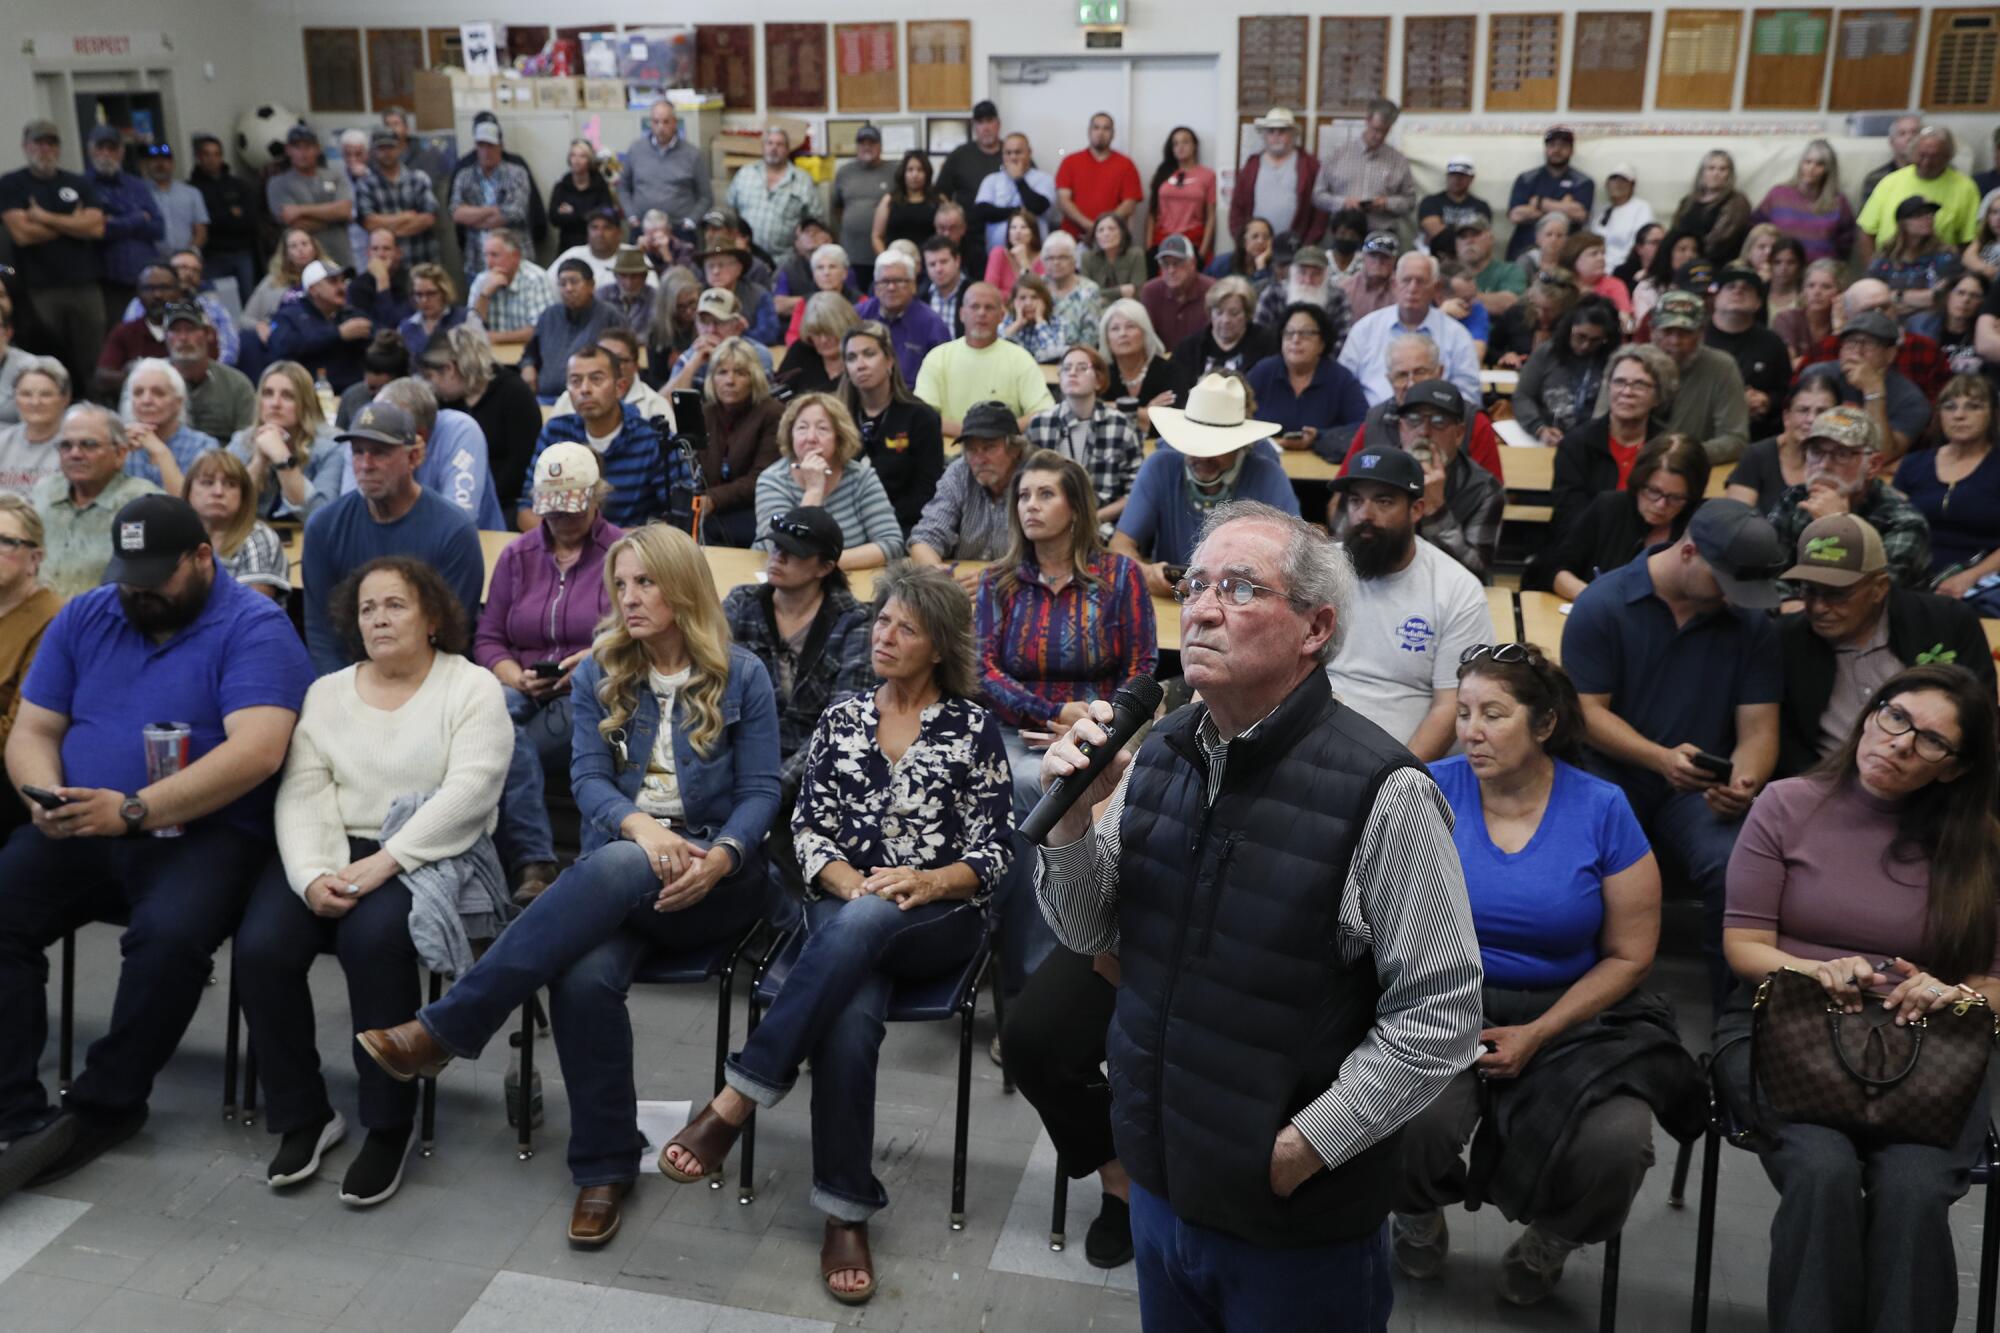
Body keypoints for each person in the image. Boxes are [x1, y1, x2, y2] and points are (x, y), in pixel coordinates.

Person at [1035, 495, 1482, 1329]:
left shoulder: (1383, 792)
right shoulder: (1163, 751)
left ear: (1314, 628)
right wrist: (1069, 818)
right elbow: (1089, 930)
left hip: (1293, 1224)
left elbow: (1442, 1013)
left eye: (1239, 587)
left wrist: (1303, 1146)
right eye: (1196, 582)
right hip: (1163, 1184)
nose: (1201, 605)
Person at [357, 523, 779, 1247]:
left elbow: (762, 790)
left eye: (646, 582)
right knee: (582, 977)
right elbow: (586, 779)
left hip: (717, 881)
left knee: (612, 865)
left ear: (682, 586)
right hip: (623, 872)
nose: (629, 597)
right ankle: (602, 1170)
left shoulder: (742, 674)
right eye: (621, 585)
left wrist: (721, 855)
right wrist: (643, 828)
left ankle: (450, 1026)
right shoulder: (602, 671)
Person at [635, 559, 1007, 1304]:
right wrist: (851, 882)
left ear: (938, 646)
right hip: (845, 906)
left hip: (940, 915)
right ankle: (844, 1209)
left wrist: (928, 881)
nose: (886, 636)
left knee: (863, 929)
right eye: (882, 622)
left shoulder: (974, 727)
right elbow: (805, 830)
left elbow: (995, 850)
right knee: (850, 1012)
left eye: (906, 627)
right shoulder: (844, 718)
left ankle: (737, 1097)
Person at [0, 491, 310, 1199]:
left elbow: (258, 751)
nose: (137, 591)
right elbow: (34, 730)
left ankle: (106, 1104)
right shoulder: (89, 612)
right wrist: (42, 796)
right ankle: (14, 1106)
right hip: (83, 820)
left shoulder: (254, 625)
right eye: (128, 576)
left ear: (203, 557)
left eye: (154, 576)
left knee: (169, 939)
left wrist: (134, 809)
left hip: (203, 832)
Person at [1393, 642, 1692, 1305]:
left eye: (1493, 713)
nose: (1470, 729)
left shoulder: (1602, 807)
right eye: (1464, 710)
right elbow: (1380, 915)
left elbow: (1631, 953)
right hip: (1440, 995)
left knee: (1616, 1145)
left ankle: (1553, 1236)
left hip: (1572, 1007)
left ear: (1545, 722)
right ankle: (1413, 1210)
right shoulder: (1428, 789)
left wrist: (1541, 1030)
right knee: (1399, 1114)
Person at [1716, 664, 2000, 1333]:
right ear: (1871, 712)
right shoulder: (1787, 803)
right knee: (1821, 1170)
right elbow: (1745, 943)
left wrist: (1955, 990)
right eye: (1895, 716)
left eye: (1931, 740)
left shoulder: (1981, 846)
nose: (1900, 742)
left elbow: (1994, 983)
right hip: (1791, 1027)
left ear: (1955, 768)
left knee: (1914, 1189)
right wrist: (1812, 970)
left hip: (1925, 1053)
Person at [237, 554, 512, 1204]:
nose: (379, 618)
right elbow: (304, 791)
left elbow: (469, 794)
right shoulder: (327, 692)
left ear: (432, 616)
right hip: (327, 848)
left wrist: (385, 861)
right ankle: (304, 1113)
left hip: (423, 850)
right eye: (367, 607)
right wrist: (311, 876)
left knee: (373, 942)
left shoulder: (469, 688)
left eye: (395, 604)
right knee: (262, 946)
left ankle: (388, 1124)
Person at [1562, 498, 1785, 1004]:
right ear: (1689, 552)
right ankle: (1584, 1003)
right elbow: (1586, 713)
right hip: (1612, 773)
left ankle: (1735, 1016)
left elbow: (1759, 728)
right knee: (1586, 860)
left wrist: (1744, 781)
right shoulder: (1605, 603)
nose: (1733, 600)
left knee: (1738, 868)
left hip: (1702, 787)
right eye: (1725, 584)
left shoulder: (1750, 624)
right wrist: (1659, 758)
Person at [977, 448, 1155, 1005]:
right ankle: (1012, 977)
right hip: (1014, 729)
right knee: (1013, 784)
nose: (1030, 505)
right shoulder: (1000, 581)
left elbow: (1142, 670)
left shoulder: (1118, 575)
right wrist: (1050, 714)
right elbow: (983, 671)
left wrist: (1089, 720)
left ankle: (1036, 984)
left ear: (1076, 508)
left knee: (1046, 788)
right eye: (1024, 496)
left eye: (1045, 494)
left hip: (1097, 735)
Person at [477, 445, 622, 902]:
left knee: (498, 745)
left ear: (596, 497)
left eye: (571, 511)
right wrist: (513, 675)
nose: (560, 521)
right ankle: (534, 862)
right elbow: (488, 638)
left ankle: (530, 863)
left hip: (589, 687)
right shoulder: (517, 556)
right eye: (552, 512)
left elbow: (640, 632)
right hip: (522, 683)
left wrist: (595, 655)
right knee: (494, 717)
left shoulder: (623, 554)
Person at [1775, 512, 1994, 778]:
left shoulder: (1947, 621)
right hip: (1829, 790)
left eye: (1837, 594)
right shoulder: (1786, 641)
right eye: (1809, 590)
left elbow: (1981, 720)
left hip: (1937, 787)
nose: (1819, 607)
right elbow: (1786, 742)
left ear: (1879, 588)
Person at [1323, 441, 1495, 754]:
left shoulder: (1457, 589)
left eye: (1384, 501)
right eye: (1356, 501)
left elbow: (1451, 705)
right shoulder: (1320, 571)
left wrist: (1400, 779)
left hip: (1403, 760)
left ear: (1417, 510)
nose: (1365, 515)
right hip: (1313, 742)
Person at [300, 402, 483, 675]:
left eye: (379, 453)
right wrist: (343, 693)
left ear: (413, 458)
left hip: (430, 680)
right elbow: (321, 634)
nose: (365, 465)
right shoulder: (324, 527)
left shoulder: (454, 531)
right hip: (348, 679)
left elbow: (451, 633)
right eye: (358, 452)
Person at [723, 506, 873, 788]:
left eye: (794, 552)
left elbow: (843, 722)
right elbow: (705, 683)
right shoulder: (740, 603)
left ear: (825, 567)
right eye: (776, 546)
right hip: (737, 759)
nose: (778, 557)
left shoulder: (855, 623)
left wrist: (769, 790)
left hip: (818, 775)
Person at [1111, 373, 1300, 596]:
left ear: (1240, 445)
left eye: (1216, 446)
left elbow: (1295, 559)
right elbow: (1119, 545)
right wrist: (1144, 572)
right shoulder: (1159, 467)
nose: (1203, 456)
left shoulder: (1269, 476)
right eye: (1194, 443)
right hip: (1171, 601)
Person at [1333, 382, 1502, 581]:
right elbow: (1344, 551)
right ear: (1401, 427)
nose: (1424, 431)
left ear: (1459, 434)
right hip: (1374, 583)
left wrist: (1436, 511)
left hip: (1446, 594)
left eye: (1439, 421)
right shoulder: (1368, 473)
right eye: (1414, 419)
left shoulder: (1483, 488)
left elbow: (1477, 573)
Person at [1767, 405, 1930, 596]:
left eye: (1841, 454)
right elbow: (1763, 573)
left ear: (1873, 465)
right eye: (1816, 452)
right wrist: (1787, 604)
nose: (1824, 465)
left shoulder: (1904, 523)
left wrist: (1840, 526)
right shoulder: (1794, 498)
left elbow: (1872, 596)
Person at [521, 345, 685, 534]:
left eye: (596, 379)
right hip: (566, 546)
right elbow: (526, 507)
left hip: (634, 552)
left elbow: (678, 517)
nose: (584, 389)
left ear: (620, 387)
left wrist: (603, 542)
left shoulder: (653, 439)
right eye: (575, 381)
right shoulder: (555, 434)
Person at [1, 120, 107, 390]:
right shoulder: (12, 184)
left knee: (92, 357)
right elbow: (22, 235)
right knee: (49, 358)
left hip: (84, 285)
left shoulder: (77, 182)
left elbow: (96, 228)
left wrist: (43, 217)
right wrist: (73, 224)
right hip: (39, 288)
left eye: (51, 143)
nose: (45, 149)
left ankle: (92, 409)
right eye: (38, 143)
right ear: (26, 146)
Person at [1544, 434, 1709, 600]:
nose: (1660, 505)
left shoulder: (1700, 525)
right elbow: (1554, 568)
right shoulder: (1608, 507)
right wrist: (1593, 600)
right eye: (1653, 491)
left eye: (1675, 498)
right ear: (1638, 481)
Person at [754, 393, 905, 571]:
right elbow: (784, 551)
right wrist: (814, 490)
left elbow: (892, 543)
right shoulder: (772, 480)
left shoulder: (861, 477)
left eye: (822, 429)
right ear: (791, 435)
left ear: (839, 436)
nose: (811, 437)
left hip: (846, 582)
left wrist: (826, 566)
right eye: (802, 428)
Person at [1596, 291, 1750, 464]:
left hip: (1690, 472)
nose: (1675, 341)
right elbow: (1599, 425)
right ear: (1652, 330)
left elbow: (1735, 439)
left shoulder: (1722, 367)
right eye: (1667, 331)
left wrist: (1677, 456)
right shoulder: (1626, 364)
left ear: (1701, 334)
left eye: (1685, 333)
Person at [1334, 332, 1506, 481]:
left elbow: (1492, 500)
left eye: (1420, 372)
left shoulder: (1472, 422)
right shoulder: (1375, 421)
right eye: (1401, 375)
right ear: (1389, 380)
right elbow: (1340, 498)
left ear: (1439, 373)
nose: (1411, 384)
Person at [31, 405, 163, 597]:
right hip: (37, 616)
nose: (75, 453)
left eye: (89, 444)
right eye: (66, 445)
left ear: (120, 454)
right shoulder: (44, 491)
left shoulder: (143, 503)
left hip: (106, 619)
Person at [1895, 374, 2000, 593]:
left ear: (1993, 414)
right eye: (1949, 407)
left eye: (1974, 407)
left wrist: (1971, 577)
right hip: (1914, 572)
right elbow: (1894, 526)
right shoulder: (1913, 463)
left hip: (1983, 576)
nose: (1959, 415)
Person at [419, 327, 538, 515]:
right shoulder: (442, 403)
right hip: (452, 503)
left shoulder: (514, 393)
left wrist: (478, 500)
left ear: (449, 369)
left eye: (431, 377)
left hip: (503, 503)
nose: (431, 385)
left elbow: (520, 465)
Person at [1339, 251, 1482, 406]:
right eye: (1406, 280)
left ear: (1436, 287)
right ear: (1394, 284)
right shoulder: (1365, 329)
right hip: (1369, 423)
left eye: (1420, 281)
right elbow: (1342, 387)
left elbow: (1469, 396)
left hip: (1435, 423)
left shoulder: (1457, 335)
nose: (1413, 288)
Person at [908, 400, 1029, 580]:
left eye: (989, 448)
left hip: (1023, 589)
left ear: (1015, 449)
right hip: (963, 587)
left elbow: (1053, 555)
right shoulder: (959, 473)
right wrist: (936, 571)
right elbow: (924, 538)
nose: (980, 459)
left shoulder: (1035, 477)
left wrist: (997, 579)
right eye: (971, 450)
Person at [913, 283, 1054, 437]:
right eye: (974, 307)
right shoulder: (937, 357)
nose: (981, 313)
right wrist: (973, 435)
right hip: (947, 452)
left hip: (1004, 453)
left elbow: (1043, 411)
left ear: (1002, 316)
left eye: (989, 307)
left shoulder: (1020, 358)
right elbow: (923, 415)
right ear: (961, 314)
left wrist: (1001, 434)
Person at [1025, 345, 1145, 525]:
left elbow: (1135, 491)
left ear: (1099, 380)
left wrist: (1094, 520)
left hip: (1104, 525)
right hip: (1049, 523)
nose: (1072, 373)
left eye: (1082, 368)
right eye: (1066, 368)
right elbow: (1026, 484)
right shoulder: (1039, 424)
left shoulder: (1121, 426)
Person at [689, 337, 783, 548]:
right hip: (708, 509)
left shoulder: (772, 413)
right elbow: (694, 470)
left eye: (740, 373)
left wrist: (714, 499)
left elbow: (761, 478)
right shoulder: (705, 413)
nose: (729, 381)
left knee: (709, 531)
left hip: (753, 509)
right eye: (722, 372)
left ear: (754, 378)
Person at [1246, 301, 1369, 459]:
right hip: (1265, 461)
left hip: (1321, 472)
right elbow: (1236, 414)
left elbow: (1363, 426)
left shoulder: (1340, 378)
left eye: (1306, 333)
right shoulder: (1263, 372)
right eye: (1289, 333)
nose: (1296, 339)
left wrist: (1319, 436)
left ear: (1322, 343)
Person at [0, 495, 57, 832]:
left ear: (35, 558)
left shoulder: (51, 620)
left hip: (10, 774)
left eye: (6, 541)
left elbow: (18, 731)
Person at [225, 361, 342, 522]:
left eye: (288, 396)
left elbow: (323, 516)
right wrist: (259, 461)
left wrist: (281, 457)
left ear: (305, 403)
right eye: (267, 393)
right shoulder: (242, 440)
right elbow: (225, 508)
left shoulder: (332, 446)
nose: (275, 404)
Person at [1856, 126, 1982, 266]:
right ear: (1912, 153)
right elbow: (1867, 231)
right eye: (1922, 155)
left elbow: (1968, 240)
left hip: (1937, 267)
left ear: (1948, 157)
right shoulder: (1890, 182)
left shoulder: (1966, 188)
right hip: (1889, 263)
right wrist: (1872, 269)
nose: (1926, 162)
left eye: (1934, 157)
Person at [1726, 368, 1842, 515]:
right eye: (1803, 410)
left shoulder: (1846, 461)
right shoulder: (1756, 456)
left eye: (1821, 412)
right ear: (1787, 417)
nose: (1811, 419)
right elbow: (1733, 520)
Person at [183, 449, 288, 602]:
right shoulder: (174, 533)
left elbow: (251, 610)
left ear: (243, 496)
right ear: (188, 490)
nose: (218, 492)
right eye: (207, 482)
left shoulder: (258, 538)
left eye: (230, 484)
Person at [81, 125, 163, 320]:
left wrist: (117, 220)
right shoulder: (82, 185)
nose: (106, 154)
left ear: (121, 152)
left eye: (112, 148)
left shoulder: (137, 185)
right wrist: (137, 218)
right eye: (101, 148)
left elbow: (159, 228)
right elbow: (99, 229)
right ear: (91, 151)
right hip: (109, 280)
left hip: (145, 277)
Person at [1704, 266, 1792, 441]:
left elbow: (1787, 392)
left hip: (1755, 435)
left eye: (1747, 288)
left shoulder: (1772, 343)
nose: (1738, 290)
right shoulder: (1696, 337)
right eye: (1730, 286)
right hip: (1704, 430)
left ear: (1758, 303)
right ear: (1715, 298)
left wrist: (1766, 401)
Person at [519, 260, 626, 403]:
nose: (568, 288)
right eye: (562, 284)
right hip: (544, 397)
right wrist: (528, 365)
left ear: (591, 285)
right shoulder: (549, 315)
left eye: (574, 282)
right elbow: (531, 350)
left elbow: (622, 360)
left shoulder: (610, 316)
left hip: (589, 399)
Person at [1516, 301, 1618, 444]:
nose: (1585, 345)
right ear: (1569, 329)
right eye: (1580, 337)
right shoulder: (1547, 353)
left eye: (1595, 340)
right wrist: (1539, 428)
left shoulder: (1613, 362)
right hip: (1548, 434)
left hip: (1593, 440)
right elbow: (1523, 395)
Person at [1311, 99, 1417, 238]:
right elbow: (1317, 196)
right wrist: (1343, 203)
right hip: (1344, 233)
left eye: (1384, 131)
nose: (1379, 136)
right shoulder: (1337, 155)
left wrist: (1387, 203)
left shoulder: (1398, 161)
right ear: (1367, 120)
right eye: (1376, 129)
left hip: (1381, 233)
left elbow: (1410, 201)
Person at [267, 259, 372, 393]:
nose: (342, 287)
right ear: (313, 289)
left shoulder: (351, 314)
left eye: (343, 281)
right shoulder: (289, 316)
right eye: (333, 281)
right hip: (309, 394)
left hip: (353, 391)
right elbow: (281, 348)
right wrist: (338, 334)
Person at [94, 263, 193, 399]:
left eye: (164, 288)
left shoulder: (195, 331)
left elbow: (208, 371)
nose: (157, 295)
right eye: (149, 289)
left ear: (178, 292)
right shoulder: (125, 331)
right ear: (138, 294)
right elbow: (102, 376)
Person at [1168, 276, 1273, 402]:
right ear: (1210, 313)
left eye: (1234, 313)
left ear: (1247, 314)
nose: (1225, 320)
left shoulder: (1267, 344)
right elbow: (1176, 395)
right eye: (1219, 312)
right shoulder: (1188, 348)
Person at [1228, 107, 1322, 248]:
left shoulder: (1310, 165)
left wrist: (1308, 243)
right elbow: (1237, 207)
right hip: (1256, 246)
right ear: (1264, 136)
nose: (1276, 136)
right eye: (1271, 131)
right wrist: (1242, 241)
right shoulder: (1251, 165)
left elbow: (1320, 209)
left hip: (1295, 247)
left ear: (1293, 135)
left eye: (1282, 131)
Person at [448, 123, 531, 281]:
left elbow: (516, 212)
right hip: (476, 261)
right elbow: (456, 213)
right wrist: (492, 210)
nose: (486, 151)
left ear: (500, 146)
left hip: (514, 262)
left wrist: (472, 217)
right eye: (481, 145)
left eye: (491, 145)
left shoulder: (516, 173)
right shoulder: (464, 175)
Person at [853, 249, 949, 385]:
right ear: (875, 287)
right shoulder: (858, 316)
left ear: (913, 285)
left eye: (899, 281)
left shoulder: (932, 324)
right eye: (885, 281)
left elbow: (943, 376)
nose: (891, 287)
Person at [120, 358, 215, 495]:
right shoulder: (118, 444)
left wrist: (161, 453)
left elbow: (191, 508)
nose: (146, 400)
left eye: (158, 393)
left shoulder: (203, 446)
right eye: (138, 393)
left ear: (178, 402)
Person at [1750, 141, 1855, 265]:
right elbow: (1756, 230)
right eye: (1808, 162)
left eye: (1819, 164)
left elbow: (1846, 243)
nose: (1811, 168)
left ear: (1828, 170)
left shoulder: (1838, 202)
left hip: (1819, 273)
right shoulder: (1778, 195)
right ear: (1800, 164)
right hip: (1781, 271)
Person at [160, 304, 253, 443]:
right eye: (175, 330)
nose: (183, 338)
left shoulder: (236, 385)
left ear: (208, 334)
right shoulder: (148, 381)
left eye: (191, 330)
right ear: (166, 337)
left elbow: (248, 440)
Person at [267, 123, 354, 270]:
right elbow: (295, 223)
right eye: (297, 147)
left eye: (308, 147)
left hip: (340, 256)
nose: (303, 153)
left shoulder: (336, 176)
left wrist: (300, 210)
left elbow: (345, 210)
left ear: (318, 149)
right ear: (288, 150)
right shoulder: (278, 183)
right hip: (302, 263)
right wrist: (334, 219)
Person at [188, 133, 260, 304]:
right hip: (212, 255)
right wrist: (230, 214)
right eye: (207, 154)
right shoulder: (193, 189)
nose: (212, 159)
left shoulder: (239, 185)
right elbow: (204, 224)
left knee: (248, 300)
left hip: (241, 252)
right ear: (199, 157)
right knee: (215, 300)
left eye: (216, 154)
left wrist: (218, 218)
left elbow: (250, 220)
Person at [353, 126, 437, 271]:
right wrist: (405, 217)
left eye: (390, 147)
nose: (387, 153)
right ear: (373, 152)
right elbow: (369, 222)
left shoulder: (418, 178)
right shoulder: (365, 184)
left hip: (420, 259)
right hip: (385, 267)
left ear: (400, 149)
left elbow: (428, 218)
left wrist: (389, 232)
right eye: (381, 148)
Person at [727, 127, 817, 259]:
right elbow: (730, 210)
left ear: (787, 150)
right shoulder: (745, 174)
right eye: (769, 143)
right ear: (763, 147)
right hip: (747, 257)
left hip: (785, 259)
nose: (774, 148)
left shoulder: (802, 180)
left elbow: (814, 221)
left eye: (779, 144)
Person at [621, 99, 711, 228]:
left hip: (679, 228)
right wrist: (631, 216)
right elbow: (623, 187)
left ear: (675, 122)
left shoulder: (692, 154)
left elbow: (706, 196)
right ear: (650, 123)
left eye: (666, 122)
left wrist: (691, 222)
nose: (661, 127)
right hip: (642, 227)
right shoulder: (636, 149)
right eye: (656, 122)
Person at [1506, 128, 1593, 261]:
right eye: (1552, 145)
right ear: (1545, 149)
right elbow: (1515, 215)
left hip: (1565, 253)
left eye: (1563, 146)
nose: (1557, 150)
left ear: (1571, 150)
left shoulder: (1583, 181)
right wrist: (1563, 208)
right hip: (1524, 248)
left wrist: (1539, 203)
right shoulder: (1526, 178)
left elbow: (1580, 215)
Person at [1055, 112, 1143, 240]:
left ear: (1113, 134)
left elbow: (1129, 204)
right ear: (1089, 131)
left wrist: (1103, 227)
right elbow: (1063, 200)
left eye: (1106, 128)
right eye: (1096, 127)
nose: (1100, 133)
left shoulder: (1126, 164)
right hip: (1073, 238)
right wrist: (1089, 226)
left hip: (1111, 240)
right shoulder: (1070, 162)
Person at [1868, 197, 1955, 318]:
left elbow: (1939, 298)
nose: (1927, 218)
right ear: (1902, 222)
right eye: (1918, 215)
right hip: (1888, 321)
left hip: (1929, 323)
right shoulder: (1884, 258)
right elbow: (1873, 298)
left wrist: (1897, 296)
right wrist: (1919, 299)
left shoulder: (1945, 256)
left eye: (1930, 214)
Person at [971, 134, 1058, 254]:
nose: (1013, 157)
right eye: (1008, 153)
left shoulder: (1044, 179)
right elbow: (981, 212)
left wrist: (1019, 179)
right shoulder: (991, 180)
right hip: (998, 255)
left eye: (1018, 152)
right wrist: (1018, 210)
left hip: (1035, 255)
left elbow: (1038, 207)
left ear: (1029, 153)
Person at [1252, 243, 1353, 345]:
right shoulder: (1272, 294)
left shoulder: (1338, 298)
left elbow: (1344, 340)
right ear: (1292, 272)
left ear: (1325, 276)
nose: (1308, 280)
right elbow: (1258, 336)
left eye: (1316, 274)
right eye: (1302, 272)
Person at [467, 231, 555, 345]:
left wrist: (497, 337)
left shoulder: (535, 278)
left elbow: (542, 329)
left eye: (494, 255)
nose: (489, 262)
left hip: (528, 352)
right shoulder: (482, 279)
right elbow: (471, 327)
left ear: (516, 256)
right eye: (486, 255)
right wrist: (485, 294)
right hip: (491, 354)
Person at [0, 359, 70, 496]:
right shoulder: (2, 442)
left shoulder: (76, 446)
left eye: (45, 394)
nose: (35, 402)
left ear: (65, 398)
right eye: (26, 394)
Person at [692, 240, 780, 346]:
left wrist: (738, 334)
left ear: (738, 268)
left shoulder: (758, 294)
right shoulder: (696, 295)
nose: (715, 271)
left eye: (721, 265)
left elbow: (770, 334)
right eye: (710, 266)